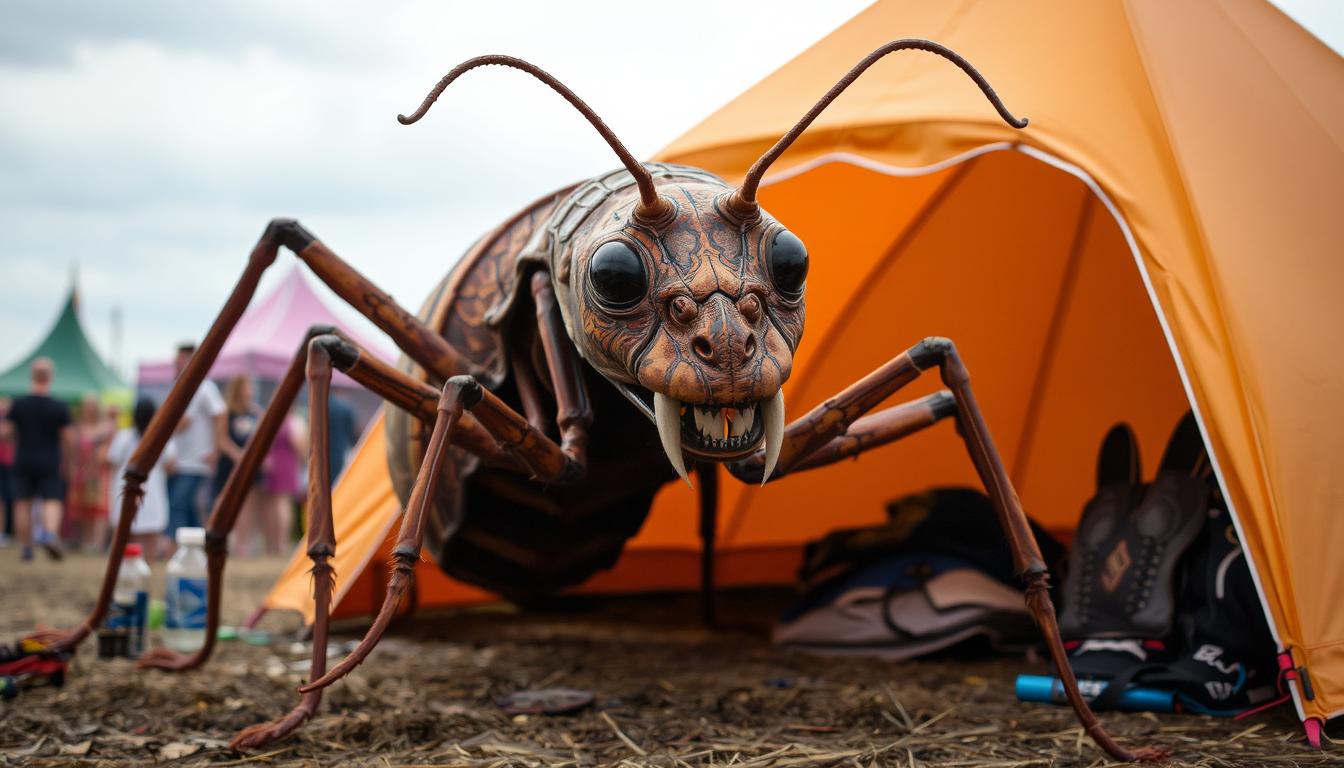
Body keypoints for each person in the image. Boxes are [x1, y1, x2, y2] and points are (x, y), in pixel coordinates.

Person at [4, 358, 72, 561]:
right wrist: (70, 462)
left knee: (22, 503)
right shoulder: (59, 406)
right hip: (50, 460)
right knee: (52, 500)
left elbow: (6, 433)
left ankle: (26, 547)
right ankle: (49, 534)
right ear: (50, 377)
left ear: (32, 376)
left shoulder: (19, 404)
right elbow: (68, 438)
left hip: (23, 458)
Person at [166, 343, 226, 550]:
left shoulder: (203, 387)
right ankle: (196, 548)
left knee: (179, 504)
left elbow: (219, 415)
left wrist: (215, 450)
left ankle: (177, 547)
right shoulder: (187, 385)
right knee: (189, 507)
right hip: (185, 460)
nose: (175, 363)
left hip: (196, 460)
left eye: (179, 359)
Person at [106, 398, 176, 562]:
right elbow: (171, 464)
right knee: (149, 536)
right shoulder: (161, 436)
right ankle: (146, 568)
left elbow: (112, 462)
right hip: (152, 488)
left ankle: (125, 568)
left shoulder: (124, 437)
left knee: (126, 533)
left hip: (127, 486)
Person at [215, 375, 265, 555]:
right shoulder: (226, 412)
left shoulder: (256, 412)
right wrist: (237, 454)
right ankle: (228, 540)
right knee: (227, 502)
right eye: (247, 386)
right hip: (230, 465)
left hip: (249, 465)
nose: (250, 390)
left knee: (248, 504)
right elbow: (221, 439)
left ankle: (245, 543)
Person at [67, 393, 113, 551]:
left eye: (93, 405)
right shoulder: (78, 427)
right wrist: (72, 467)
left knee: (100, 509)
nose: (90, 409)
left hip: (100, 473)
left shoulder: (106, 427)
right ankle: (86, 541)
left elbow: (109, 451)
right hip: (82, 471)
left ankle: (97, 543)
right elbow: (72, 450)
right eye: (87, 405)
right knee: (83, 508)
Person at [259, 410, 306, 556]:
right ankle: (280, 543)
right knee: (281, 503)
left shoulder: (270, 419)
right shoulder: (294, 422)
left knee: (273, 504)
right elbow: (299, 445)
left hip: (274, 464)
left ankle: (273, 543)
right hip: (286, 464)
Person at [326, 395, 357, 485]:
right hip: (340, 451)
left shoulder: (321, 406)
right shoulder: (345, 408)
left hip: (323, 451)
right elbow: (351, 433)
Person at [0, 397, 15, 547]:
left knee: (11, 499)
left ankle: (7, 531)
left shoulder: (14, 422)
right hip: (5, 463)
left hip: (11, 463)